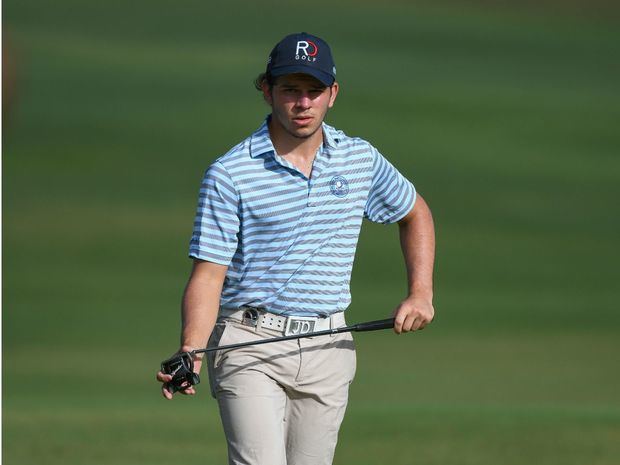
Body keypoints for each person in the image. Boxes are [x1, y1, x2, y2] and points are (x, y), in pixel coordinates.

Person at [157, 32, 435, 465]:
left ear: (332, 95)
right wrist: (190, 349)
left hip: (330, 346)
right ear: (267, 90)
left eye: (314, 91)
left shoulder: (359, 159)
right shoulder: (230, 174)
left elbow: (415, 213)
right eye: (290, 90)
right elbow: (208, 276)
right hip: (250, 343)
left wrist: (421, 292)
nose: (303, 104)